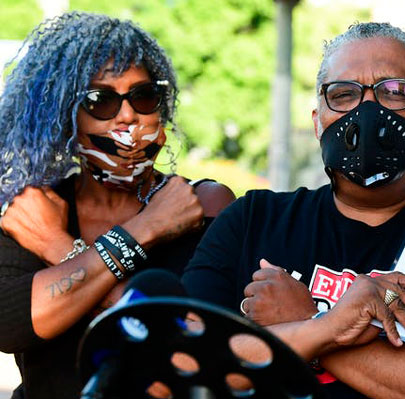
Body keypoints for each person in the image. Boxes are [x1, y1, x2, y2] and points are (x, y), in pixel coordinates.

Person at [182, 22, 405, 398]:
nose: (367, 111)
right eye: (342, 95)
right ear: (318, 122)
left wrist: (308, 321)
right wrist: (328, 328)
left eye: (395, 92)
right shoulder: (252, 220)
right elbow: (186, 359)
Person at [0, 12, 234, 398]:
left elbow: (186, 351)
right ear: (63, 116)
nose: (128, 115)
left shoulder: (204, 203)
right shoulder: (35, 209)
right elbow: (11, 324)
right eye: (100, 100)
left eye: (143, 96)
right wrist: (148, 227)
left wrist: (57, 247)